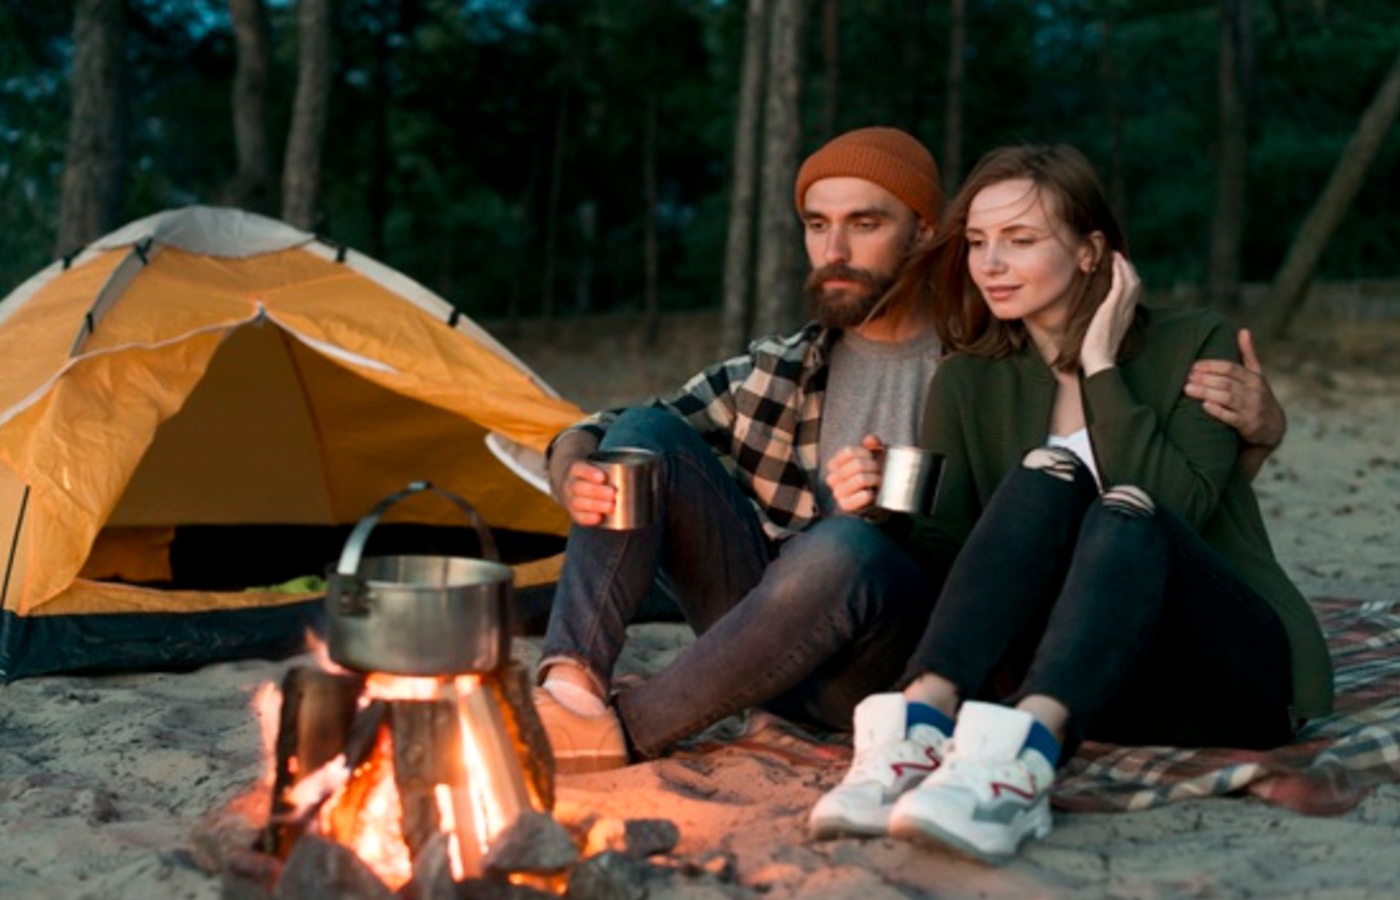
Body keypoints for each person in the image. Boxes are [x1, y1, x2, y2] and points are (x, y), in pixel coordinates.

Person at [534, 128, 1286, 776]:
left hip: (894, 648)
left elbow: (1086, 506)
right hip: (746, 643)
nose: (834, 249)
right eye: (817, 224)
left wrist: (1252, 444)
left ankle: (627, 732)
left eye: (864, 223)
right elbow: (611, 427)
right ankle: (570, 689)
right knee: (642, 436)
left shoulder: (984, 356)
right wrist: (573, 466)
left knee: (844, 546)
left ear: (925, 232)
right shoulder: (782, 368)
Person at [807, 144, 1333, 864]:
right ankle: (921, 729)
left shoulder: (1193, 343)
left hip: (1219, 672)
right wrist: (882, 513)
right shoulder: (968, 381)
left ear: (1092, 252)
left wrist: (1100, 367)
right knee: (1047, 473)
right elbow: (955, 559)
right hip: (1078, 679)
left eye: (1020, 241)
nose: (990, 263)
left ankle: (1021, 762)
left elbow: (1176, 506)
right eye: (980, 242)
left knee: (1122, 508)